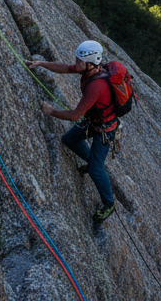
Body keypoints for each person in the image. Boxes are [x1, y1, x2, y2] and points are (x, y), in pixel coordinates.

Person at [27, 41, 116, 223]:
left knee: (95, 169)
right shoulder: (90, 69)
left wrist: (52, 111)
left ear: (90, 62)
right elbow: (66, 68)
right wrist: (41, 64)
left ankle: (109, 204)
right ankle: (92, 163)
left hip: (105, 131)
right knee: (69, 140)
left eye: (79, 60)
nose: (76, 63)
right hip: (94, 122)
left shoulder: (95, 86)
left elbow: (75, 115)